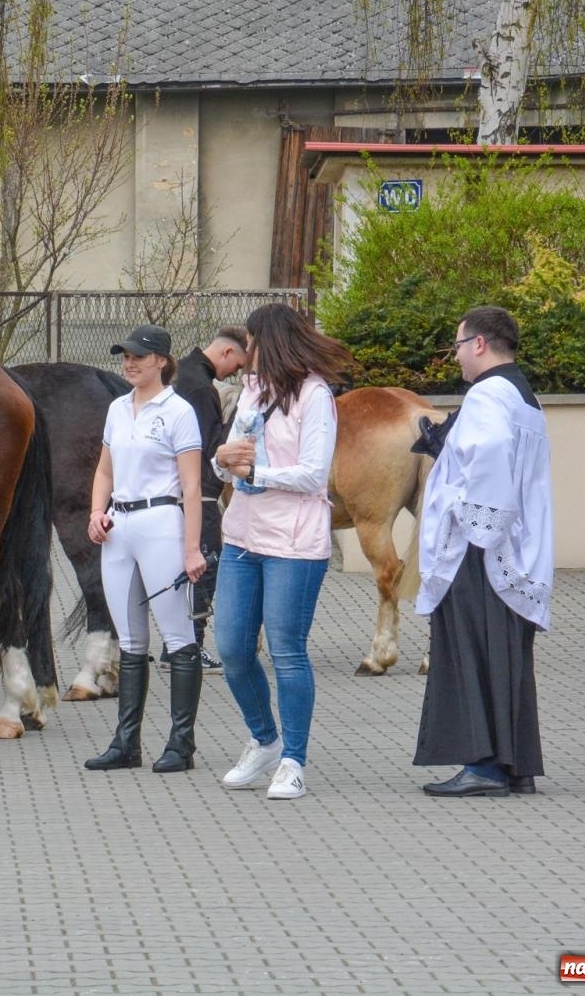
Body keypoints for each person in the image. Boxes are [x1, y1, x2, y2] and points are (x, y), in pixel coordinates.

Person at [210, 303, 351, 800]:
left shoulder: (315, 396)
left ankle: (293, 759)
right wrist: (222, 462)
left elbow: (315, 473)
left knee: (288, 651)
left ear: (270, 341)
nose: (245, 350)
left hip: (294, 542)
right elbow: (228, 460)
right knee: (231, 648)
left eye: (251, 340)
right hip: (243, 537)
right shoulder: (251, 390)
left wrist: (256, 475)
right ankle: (264, 739)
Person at [414, 306, 552, 797]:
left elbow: (490, 453)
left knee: (469, 650)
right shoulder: (522, 394)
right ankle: (514, 765)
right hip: (513, 549)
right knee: (504, 655)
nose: (455, 358)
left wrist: (472, 516)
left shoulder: (487, 394)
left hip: (481, 549)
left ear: (478, 344)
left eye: (456, 346)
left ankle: (484, 766)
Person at [83, 325, 207, 774]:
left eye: (138, 356)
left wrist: (191, 548)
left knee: (177, 635)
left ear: (161, 361)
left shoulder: (178, 411)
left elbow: (192, 486)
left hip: (160, 521)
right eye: (125, 357)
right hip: (120, 524)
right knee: (130, 639)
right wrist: (97, 512)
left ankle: (180, 743)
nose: (129, 363)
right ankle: (126, 742)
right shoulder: (117, 409)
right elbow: (104, 471)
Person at [170, 325, 250, 672]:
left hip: (181, 491)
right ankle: (193, 645)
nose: (237, 373)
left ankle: (176, 645)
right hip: (199, 492)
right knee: (206, 565)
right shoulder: (202, 388)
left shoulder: (183, 375)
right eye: (238, 366)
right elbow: (209, 444)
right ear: (227, 353)